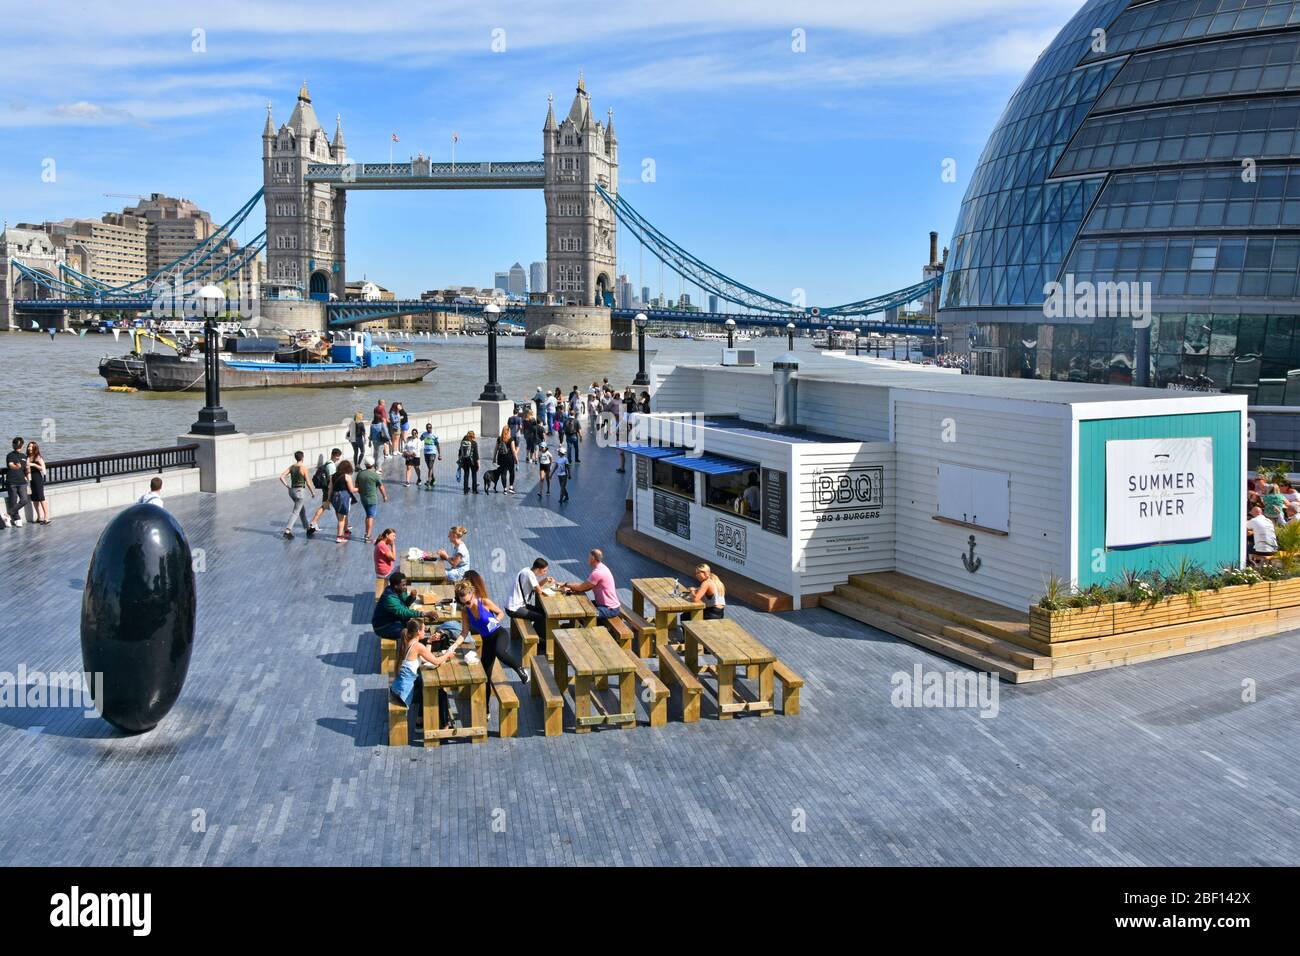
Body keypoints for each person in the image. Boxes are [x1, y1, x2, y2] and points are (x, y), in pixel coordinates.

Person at [390, 618, 462, 731]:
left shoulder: (410, 643)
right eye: (424, 629)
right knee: (439, 692)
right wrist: (448, 654)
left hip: (401, 686)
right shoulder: (418, 646)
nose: (426, 632)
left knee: (428, 686)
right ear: (418, 632)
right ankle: (444, 726)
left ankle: (420, 721)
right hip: (405, 691)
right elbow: (436, 661)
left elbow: (423, 658)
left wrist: (429, 641)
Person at [455, 580, 529, 686]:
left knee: (499, 651)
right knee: (485, 676)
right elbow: (464, 633)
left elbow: (500, 613)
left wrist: (496, 620)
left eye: (467, 602)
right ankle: (486, 702)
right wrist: (454, 646)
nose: (466, 605)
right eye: (462, 603)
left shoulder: (484, 602)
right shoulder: (465, 611)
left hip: (499, 634)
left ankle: (520, 669)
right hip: (487, 641)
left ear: (473, 595)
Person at [372, 571, 447, 638]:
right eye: (403, 585)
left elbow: (406, 602)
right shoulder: (389, 598)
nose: (405, 587)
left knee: (417, 628)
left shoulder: (399, 590)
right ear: (396, 586)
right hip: (384, 626)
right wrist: (425, 613)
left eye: (406, 584)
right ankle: (409, 651)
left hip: (395, 619)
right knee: (411, 634)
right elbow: (403, 612)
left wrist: (412, 597)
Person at [563, 548, 620, 619]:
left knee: (584, 614)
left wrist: (565, 584)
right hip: (606, 605)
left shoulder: (597, 572)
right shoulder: (603, 567)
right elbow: (587, 587)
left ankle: (584, 629)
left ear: (592, 558)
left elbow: (581, 587)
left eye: (589, 557)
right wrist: (573, 588)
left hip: (609, 609)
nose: (588, 559)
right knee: (581, 606)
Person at [506, 558, 550, 632]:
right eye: (544, 571)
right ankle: (539, 638)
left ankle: (537, 633)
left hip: (518, 605)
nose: (545, 573)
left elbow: (537, 586)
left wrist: (545, 580)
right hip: (513, 609)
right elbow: (539, 591)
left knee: (543, 612)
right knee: (541, 617)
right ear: (538, 569)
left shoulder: (527, 570)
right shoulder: (530, 575)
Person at [279, 450, 315, 538]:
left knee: (301, 510)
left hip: (292, 491)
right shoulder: (303, 468)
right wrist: (312, 492)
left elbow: (281, 477)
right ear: (302, 458)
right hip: (300, 492)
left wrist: (287, 486)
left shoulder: (292, 467)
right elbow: (308, 482)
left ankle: (307, 528)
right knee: (296, 512)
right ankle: (287, 531)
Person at [308, 448, 344, 534]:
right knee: (334, 506)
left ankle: (313, 522)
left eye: (339, 456)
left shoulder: (328, 463)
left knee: (326, 506)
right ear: (334, 455)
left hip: (326, 488)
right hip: (330, 489)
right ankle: (343, 523)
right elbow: (332, 479)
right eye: (337, 456)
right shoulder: (331, 466)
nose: (338, 458)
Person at [354, 459, 388, 543]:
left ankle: (366, 533)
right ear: (373, 464)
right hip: (372, 499)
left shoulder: (360, 474)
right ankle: (368, 536)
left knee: (368, 515)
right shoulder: (375, 475)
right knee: (370, 517)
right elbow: (381, 487)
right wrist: (385, 496)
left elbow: (356, 486)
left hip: (363, 499)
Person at [328, 459, 358, 543]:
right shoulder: (347, 477)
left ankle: (345, 530)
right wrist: (360, 489)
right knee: (342, 518)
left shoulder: (333, 476)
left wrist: (328, 499)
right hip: (343, 497)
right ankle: (339, 536)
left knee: (342, 514)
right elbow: (352, 489)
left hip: (334, 497)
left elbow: (330, 488)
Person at [5, 437, 29, 527]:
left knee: (24, 500)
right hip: (12, 482)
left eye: (19, 444)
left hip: (22, 482)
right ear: (13, 445)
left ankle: (7, 514)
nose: (18, 446)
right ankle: (17, 518)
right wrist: (16, 467)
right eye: (16, 444)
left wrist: (28, 479)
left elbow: (26, 469)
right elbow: (11, 466)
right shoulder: (10, 455)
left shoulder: (24, 456)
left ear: (22, 445)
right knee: (13, 501)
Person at [25, 441, 48, 524]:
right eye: (28, 446)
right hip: (30, 480)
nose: (29, 448)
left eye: (31, 446)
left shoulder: (37, 457)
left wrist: (33, 465)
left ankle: (46, 517)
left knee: (41, 497)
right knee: (34, 499)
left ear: (34, 448)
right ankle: (39, 517)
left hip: (38, 478)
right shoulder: (27, 457)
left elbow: (43, 468)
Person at [493, 425, 518, 495]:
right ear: (508, 431)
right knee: (511, 472)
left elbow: (496, 449)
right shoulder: (511, 439)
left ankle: (504, 489)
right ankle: (511, 487)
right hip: (509, 458)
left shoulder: (499, 439)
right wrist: (516, 459)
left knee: (503, 474)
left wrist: (494, 458)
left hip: (501, 458)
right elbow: (513, 450)